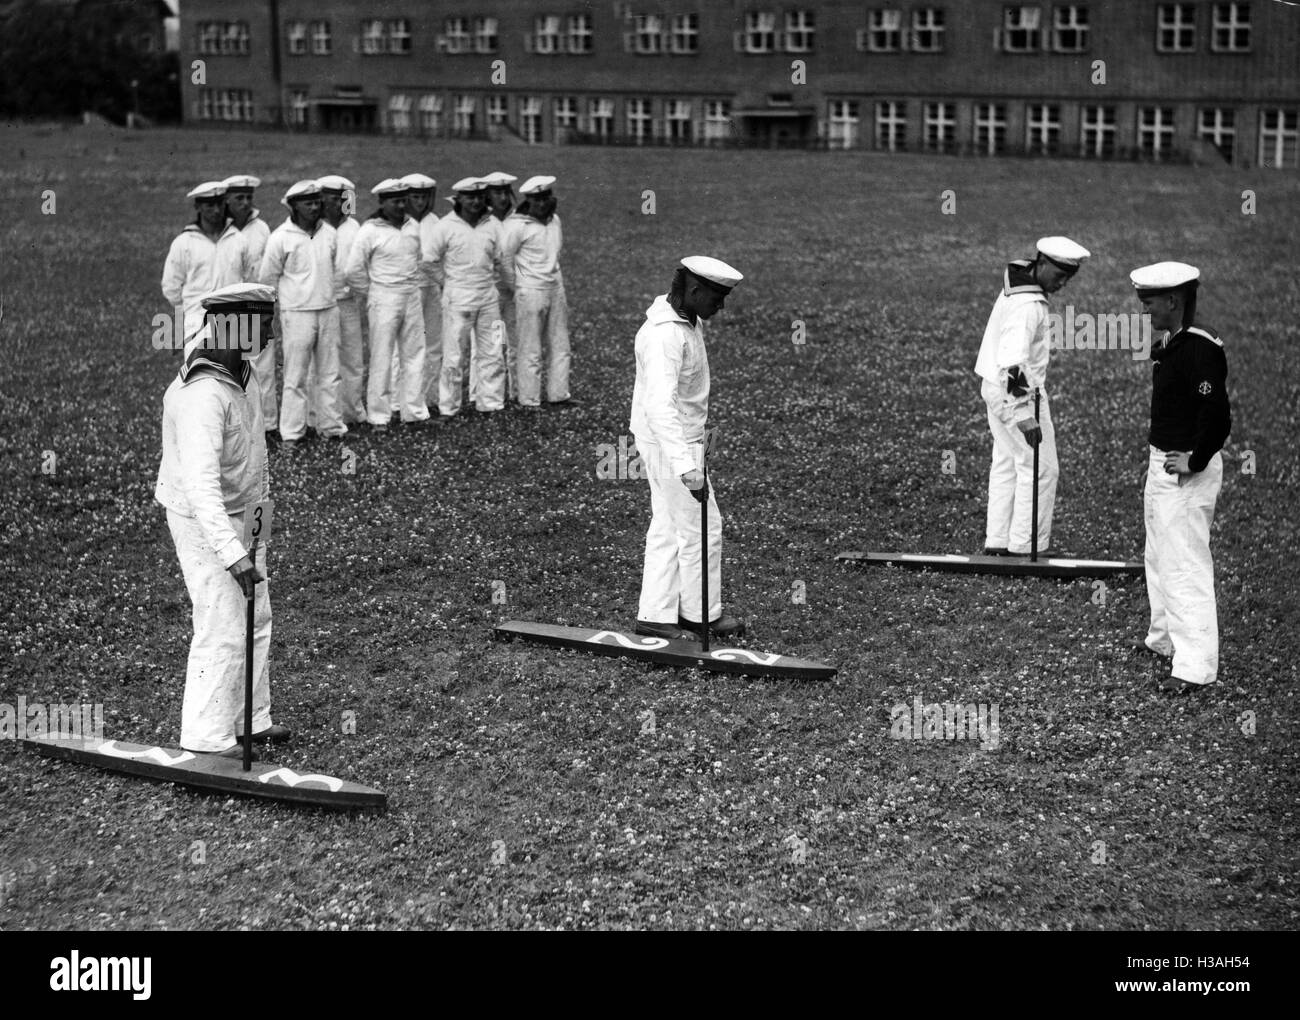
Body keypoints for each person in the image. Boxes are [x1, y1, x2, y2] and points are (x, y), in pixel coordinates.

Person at [155, 283, 290, 758]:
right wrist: (233, 555)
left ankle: (250, 719)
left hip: (244, 510)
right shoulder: (202, 394)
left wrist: (259, 530)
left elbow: (258, 456)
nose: (272, 333)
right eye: (266, 323)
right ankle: (206, 737)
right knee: (223, 620)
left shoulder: (244, 372)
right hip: (200, 516)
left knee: (257, 614)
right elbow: (201, 487)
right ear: (237, 325)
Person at [630, 256, 745, 642]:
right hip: (669, 441)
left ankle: (660, 613)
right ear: (694, 291)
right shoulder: (665, 335)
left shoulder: (685, 321)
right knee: (702, 526)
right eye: (717, 297)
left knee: (668, 524)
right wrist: (686, 466)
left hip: (675, 438)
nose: (721, 306)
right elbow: (659, 407)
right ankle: (699, 616)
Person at [1130, 261, 1231, 693]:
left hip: (1185, 470)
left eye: (1149, 302)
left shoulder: (1198, 348)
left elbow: (1218, 414)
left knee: (1185, 563)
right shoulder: (1173, 340)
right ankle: (1164, 639)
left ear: (1173, 300)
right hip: (1162, 465)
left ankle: (1195, 667)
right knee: (1159, 556)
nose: (1144, 310)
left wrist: (1197, 458)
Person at [973, 235, 1090, 556]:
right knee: (1041, 468)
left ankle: (998, 541)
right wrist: (1023, 412)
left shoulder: (1019, 283)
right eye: (1059, 275)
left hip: (993, 387)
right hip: (1016, 394)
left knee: (1009, 461)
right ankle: (1025, 547)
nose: (1063, 283)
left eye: (1069, 277)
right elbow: (1012, 360)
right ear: (1040, 264)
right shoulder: (1028, 305)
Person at [258, 179, 345, 447]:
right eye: (308, 203)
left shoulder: (329, 233)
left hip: (328, 310)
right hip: (297, 314)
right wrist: (268, 314)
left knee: (330, 373)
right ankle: (292, 434)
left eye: (317, 201)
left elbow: (336, 270)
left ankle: (330, 428)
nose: (315, 207)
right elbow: (267, 280)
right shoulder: (280, 238)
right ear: (293, 207)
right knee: (295, 376)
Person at [345, 179, 430, 430]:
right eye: (395, 201)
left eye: (404, 200)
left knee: (415, 354)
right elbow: (353, 270)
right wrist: (372, 292)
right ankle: (379, 415)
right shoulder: (370, 230)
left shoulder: (412, 226)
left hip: (411, 294)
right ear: (381, 202)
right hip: (383, 296)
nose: (401, 205)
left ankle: (414, 411)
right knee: (382, 356)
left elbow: (418, 258)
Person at [421, 177, 506, 417]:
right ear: (458, 200)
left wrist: (496, 284)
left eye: (479, 197)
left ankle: (491, 403)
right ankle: (449, 407)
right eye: (470, 197)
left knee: (493, 350)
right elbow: (428, 261)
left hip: (488, 298)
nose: (476, 202)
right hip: (458, 299)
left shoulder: (492, 225)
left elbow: (500, 259)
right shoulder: (445, 226)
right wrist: (447, 282)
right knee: (454, 354)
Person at [500, 175, 572, 409]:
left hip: (555, 288)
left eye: (545, 198)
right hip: (530, 291)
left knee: (560, 345)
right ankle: (529, 399)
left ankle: (558, 395)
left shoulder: (555, 221)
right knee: (530, 347)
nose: (542, 203)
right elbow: (505, 260)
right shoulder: (516, 225)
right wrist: (518, 287)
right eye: (536, 199)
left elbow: (556, 255)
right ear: (528, 201)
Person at [223, 175, 277, 431]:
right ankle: (234, 426)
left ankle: (266, 426)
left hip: (256, 307)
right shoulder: (222, 230)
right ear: (227, 200)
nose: (245, 203)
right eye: (239, 198)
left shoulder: (262, 229)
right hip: (226, 311)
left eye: (249, 198)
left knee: (263, 370)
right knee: (228, 368)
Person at [161, 182, 246, 345]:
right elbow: (171, 286)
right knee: (200, 369)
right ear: (198, 207)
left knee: (234, 370)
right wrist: (192, 308)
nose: (216, 210)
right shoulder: (184, 243)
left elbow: (252, 277)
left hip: (234, 322)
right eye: (209, 205)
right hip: (197, 323)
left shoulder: (238, 240)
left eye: (220, 204)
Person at [318, 174, 366, 427]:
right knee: (324, 363)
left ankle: (352, 411)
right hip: (322, 304)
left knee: (353, 359)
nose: (335, 203)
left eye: (340, 198)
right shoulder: (315, 229)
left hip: (347, 302)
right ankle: (322, 415)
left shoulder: (354, 228)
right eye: (329, 198)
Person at [399, 173, 442, 413]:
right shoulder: (400, 222)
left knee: (434, 344)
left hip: (432, 288)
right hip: (409, 290)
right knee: (405, 347)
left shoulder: (435, 221)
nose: (420, 202)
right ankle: (399, 399)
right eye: (415, 196)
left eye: (424, 197)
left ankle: (431, 396)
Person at [481, 170, 519, 403]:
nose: (502, 198)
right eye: (497, 193)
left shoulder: (518, 219)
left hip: (516, 291)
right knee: (491, 345)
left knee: (516, 341)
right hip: (491, 294)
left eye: (506, 192)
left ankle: (517, 391)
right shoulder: (484, 222)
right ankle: (484, 393)